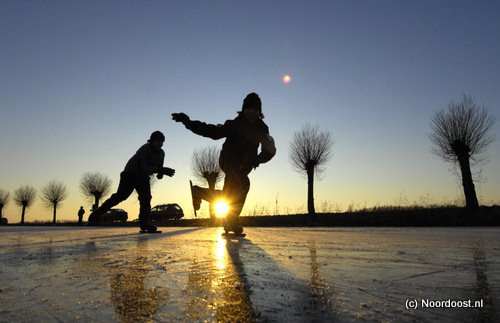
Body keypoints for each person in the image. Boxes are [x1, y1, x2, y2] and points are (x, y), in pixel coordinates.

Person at [172, 92, 276, 234]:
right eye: (249, 109)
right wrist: (188, 122)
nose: (252, 112)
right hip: (228, 160)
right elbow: (212, 131)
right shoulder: (234, 124)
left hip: (244, 166)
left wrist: (258, 159)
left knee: (231, 193)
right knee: (242, 183)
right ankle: (231, 221)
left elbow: (269, 149)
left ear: (259, 111)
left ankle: (201, 194)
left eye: (255, 109)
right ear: (244, 109)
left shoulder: (262, 129)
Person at [88, 131, 175, 232]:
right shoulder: (144, 149)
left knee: (146, 199)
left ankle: (144, 224)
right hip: (130, 174)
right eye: (157, 141)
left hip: (143, 177)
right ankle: (95, 215)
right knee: (120, 197)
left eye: (161, 142)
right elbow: (145, 167)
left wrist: (162, 173)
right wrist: (161, 170)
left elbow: (158, 170)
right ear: (151, 141)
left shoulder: (161, 153)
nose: (159, 144)